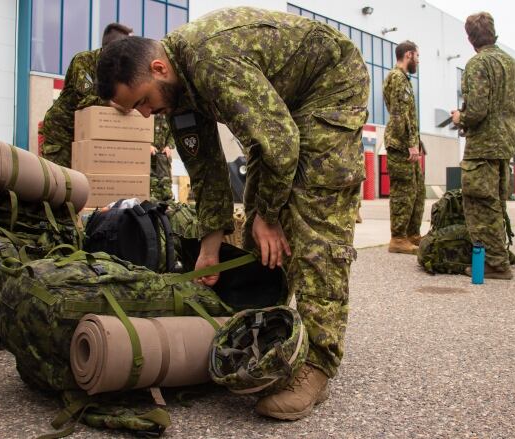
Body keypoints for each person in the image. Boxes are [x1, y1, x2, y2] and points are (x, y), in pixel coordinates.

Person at [96, 7, 369, 420]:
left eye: (144, 102)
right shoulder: (176, 94)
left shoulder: (209, 61)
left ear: (159, 67)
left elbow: (279, 143)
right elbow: (206, 172)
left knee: (313, 216)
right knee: (259, 204)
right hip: (285, 109)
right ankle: (274, 322)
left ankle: (318, 361)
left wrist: (273, 218)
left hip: (328, 84)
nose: (146, 116)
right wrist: (211, 245)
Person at [451, 12, 515, 280]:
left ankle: (495, 262)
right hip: (505, 144)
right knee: (497, 203)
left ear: (470, 38)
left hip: (483, 145)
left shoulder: (477, 64)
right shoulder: (513, 65)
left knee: (481, 205)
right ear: (493, 32)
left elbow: (477, 110)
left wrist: (461, 117)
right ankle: (500, 254)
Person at [40, 23, 133, 167]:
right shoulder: (83, 61)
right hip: (62, 130)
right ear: (109, 48)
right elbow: (85, 97)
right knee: (59, 180)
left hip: (88, 132)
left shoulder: (116, 70)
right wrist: (113, 103)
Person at [383, 40, 425, 254]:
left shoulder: (403, 79)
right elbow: (399, 114)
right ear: (408, 54)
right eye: (417, 56)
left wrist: (417, 143)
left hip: (408, 143)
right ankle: (398, 238)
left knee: (417, 190)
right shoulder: (397, 78)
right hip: (400, 145)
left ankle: (412, 234)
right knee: (404, 191)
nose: (418, 60)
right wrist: (410, 145)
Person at [149, 115, 174, 201]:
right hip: (149, 158)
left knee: (166, 185)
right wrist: (148, 145)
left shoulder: (168, 117)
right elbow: (140, 131)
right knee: (152, 184)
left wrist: (169, 146)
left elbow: (173, 134)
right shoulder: (147, 114)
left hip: (164, 157)